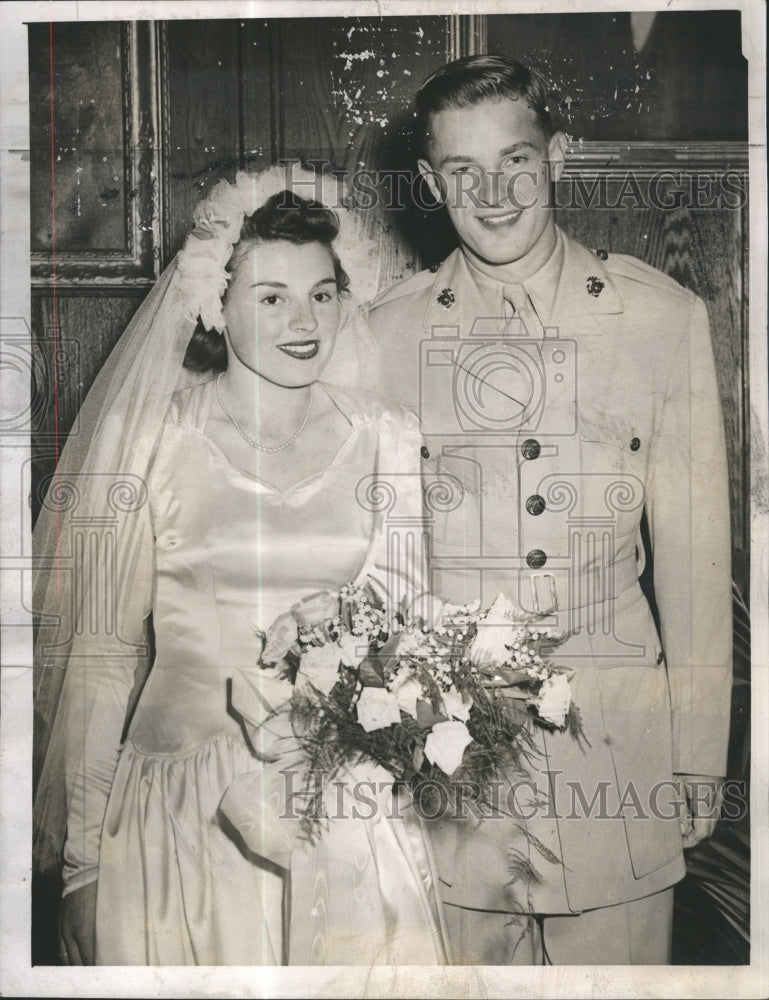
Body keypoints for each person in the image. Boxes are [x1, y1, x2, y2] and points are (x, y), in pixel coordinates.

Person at [366, 55, 732, 965]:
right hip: (451, 767)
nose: (493, 194)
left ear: (558, 157)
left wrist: (696, 754)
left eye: (516, 161)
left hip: (617, 750)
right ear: (428, 182)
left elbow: (692, 559)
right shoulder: (384, 335)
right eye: (462, 171)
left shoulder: (658, 318)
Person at [32, 169, 448, 966]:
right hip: (176, 817)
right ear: (212, 305)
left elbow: (405, 639)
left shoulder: (388, 437)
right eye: (270, 297)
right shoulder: (152, 438)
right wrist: (84, 865)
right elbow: (102, 659)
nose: (303, 322)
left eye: (322, 295)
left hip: (340, 814)